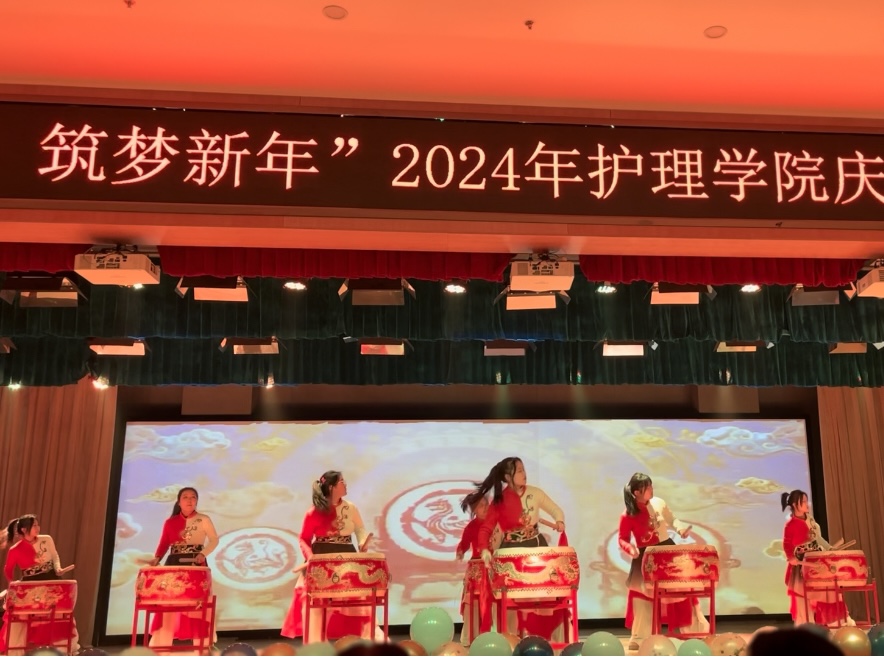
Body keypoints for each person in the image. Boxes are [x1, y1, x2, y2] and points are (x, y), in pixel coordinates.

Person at [466, 457, 567, 641]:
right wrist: (485, 550)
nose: (524, 474)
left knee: (545, 593)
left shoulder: (535, 493)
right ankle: (511, 639)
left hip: (535, 546)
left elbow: (555, 510)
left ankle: (545, 637)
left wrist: (559, 520)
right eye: (519, 471)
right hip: (511, 551)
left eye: (523, 469)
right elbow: (486, 528)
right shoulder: (500, 501)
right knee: (509, 599)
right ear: (508, 477)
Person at [281, 471, 377, 643]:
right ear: (332, 487)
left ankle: (365, 643)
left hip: (347, 558)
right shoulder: (314, 512)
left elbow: (360, 530)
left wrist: (363, 542)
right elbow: (303, 538)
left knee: (358, 602)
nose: (345, 484)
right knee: (315, 606)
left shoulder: (351, 508)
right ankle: (316, 646)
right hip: (321, 561)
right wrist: (311, 558)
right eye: (342, 481)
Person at [618, 473, 709, 651]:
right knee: (642, 597)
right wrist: (630, 549)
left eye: (651, 485)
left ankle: (694, 631)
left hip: (667, 551)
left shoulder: (659, 503)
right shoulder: (628, 515)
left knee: (682, 592)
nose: (652, 489)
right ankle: (640, 637)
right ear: (637, 492)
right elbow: (622, 538)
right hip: (645, 556)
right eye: (647, 487)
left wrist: (680, 529)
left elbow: (672, 519)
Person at [148, 487, 219, 652]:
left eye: (193, 497)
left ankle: (202, 646)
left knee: (198, 605)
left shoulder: (204, 519)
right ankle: (161, 644)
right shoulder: (170, 522)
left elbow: (214, 540)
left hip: (197, 565)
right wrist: (157, 558)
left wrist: (203, 554)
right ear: (179, 502)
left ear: (197, 501)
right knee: (169, 605)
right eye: (185, 497)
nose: (189, 500)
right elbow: (164, 543)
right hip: (174, 566)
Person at [0, 515, 79, 654]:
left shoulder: (46, 539)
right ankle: (27, 651)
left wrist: (58, 568)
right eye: (34, 526)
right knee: (29, 620)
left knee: (56, 615)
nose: (38, 528)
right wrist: (12, 583)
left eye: (38, 525)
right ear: (24, 529)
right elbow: (8, 569)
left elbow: (54, 556)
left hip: (51, 580)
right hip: (32, 586)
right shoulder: (15, 549)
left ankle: (57, 651)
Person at [781, 489, 854, 627]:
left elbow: (818, 539)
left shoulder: (810, 520)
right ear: (795, 505)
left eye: (806, 500)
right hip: (801, 566)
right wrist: (791, 557)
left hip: (817, 563)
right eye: (803, 501)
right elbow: (787, 544)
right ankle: (805, 627)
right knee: (802, 599)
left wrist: (830, 549)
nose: (807, 503)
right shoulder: (790, 525)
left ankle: (836, 622)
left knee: (829, 591)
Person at [455, 495, 492, 645]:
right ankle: (472, 636)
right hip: (477, 569)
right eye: (481, 506)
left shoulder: (496, 523)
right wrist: (460, 551)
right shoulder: (471, 527)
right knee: (474, 603)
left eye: (486, 504)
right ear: (474, 510)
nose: (485, 508)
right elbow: (464, 544)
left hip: (493, 566)